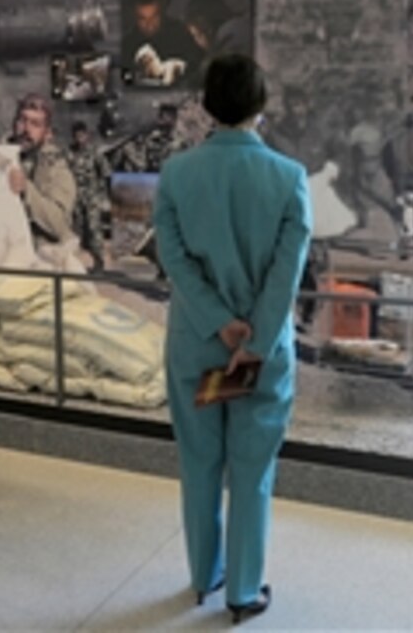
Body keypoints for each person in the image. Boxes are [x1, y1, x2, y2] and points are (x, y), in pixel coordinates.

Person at [153, 55, 312, 623]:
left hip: (198, 346)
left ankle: (205, 576)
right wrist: (256, 336)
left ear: (206, 106)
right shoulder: (290, 178)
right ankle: (245, 590)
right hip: (259, 358)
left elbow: (171, 256)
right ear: (260, 105)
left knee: (199, 461)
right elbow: (287, 272)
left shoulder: (176, 174)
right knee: (252, 469)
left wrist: (219, 320)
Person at [9, 93, 78, 247]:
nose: (26, 129)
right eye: (22, 120)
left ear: (47, 133)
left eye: (35, 124)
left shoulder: (56, 168)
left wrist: (26, 190)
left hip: (42, 255)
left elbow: (60, 225)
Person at [122, 0, 202, 86]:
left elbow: (199, 67)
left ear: (162, 11)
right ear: (134, 16)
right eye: (142, 19)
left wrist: (179, 67)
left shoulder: (181, 33)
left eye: (154, 17)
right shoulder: (127, 43)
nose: (149, 25)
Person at [184, 0, 253, 85]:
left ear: (207, 28)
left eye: (196, 35)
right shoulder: (240, 26)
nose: (197, 42)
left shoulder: (232, 34)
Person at [67, 121, 111, 270]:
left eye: (82, 134)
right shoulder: (69, 153)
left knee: (94, 230)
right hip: (75, 198)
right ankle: (76, 264)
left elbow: (106, 173)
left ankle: (99, 262)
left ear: (86, 135)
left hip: (92, 198)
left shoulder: (94, 153)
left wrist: (103, 194)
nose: (79, 138)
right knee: (76, 231)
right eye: (76, 135)